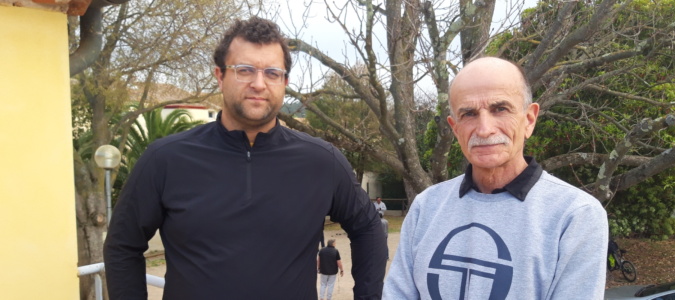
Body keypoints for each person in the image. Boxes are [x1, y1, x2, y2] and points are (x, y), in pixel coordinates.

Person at [104, 17, 386, 299]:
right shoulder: (164, 159)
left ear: (285, 81)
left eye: (272, 73)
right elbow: (123, 245)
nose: (259, 84)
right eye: (245, 70)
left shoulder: (322, 161)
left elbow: (368, 229)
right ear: (220, 75)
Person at [383, 57, 608, 299]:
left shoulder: (576, 215)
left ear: (529, 120)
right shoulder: (426, 207)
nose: (484, 129)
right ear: (455, 128)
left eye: (500, 109)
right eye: (468, 114)